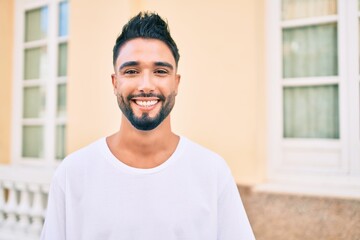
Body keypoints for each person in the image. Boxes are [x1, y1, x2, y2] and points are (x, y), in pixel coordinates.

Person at [40, 12, 255, 240]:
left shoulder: (213, 173)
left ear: (176, 82)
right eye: (131, 71)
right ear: (115, 82)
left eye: (160, 71)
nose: (145, 85)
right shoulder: (73, 174)